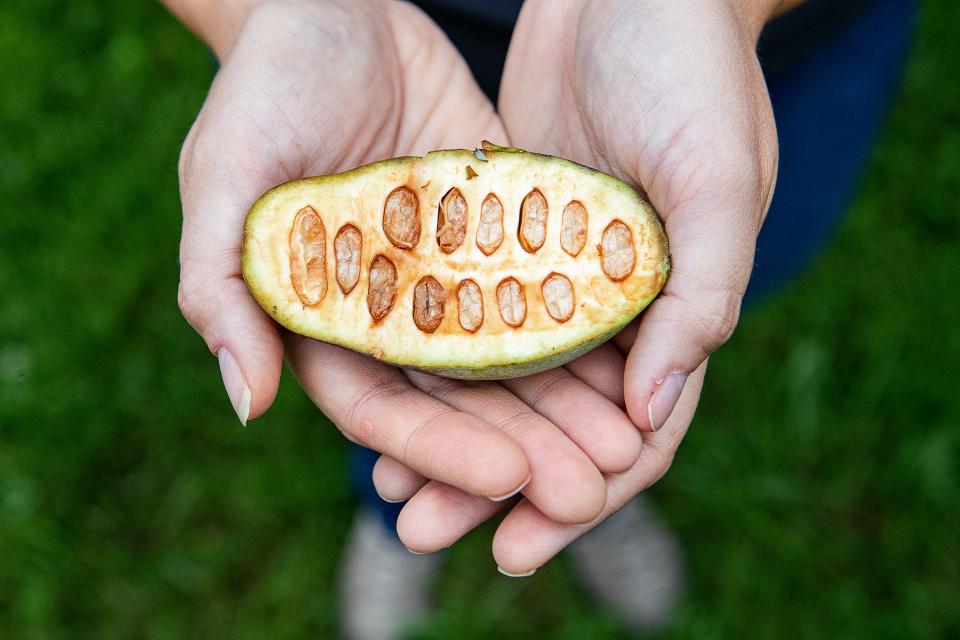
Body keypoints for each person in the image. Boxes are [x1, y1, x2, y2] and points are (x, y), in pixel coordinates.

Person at [162, 0, 917, 637]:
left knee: (724, 271)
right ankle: (388, 511)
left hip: (756, 39)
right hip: (358, 52)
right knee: (392, 399)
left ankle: (596, 494)